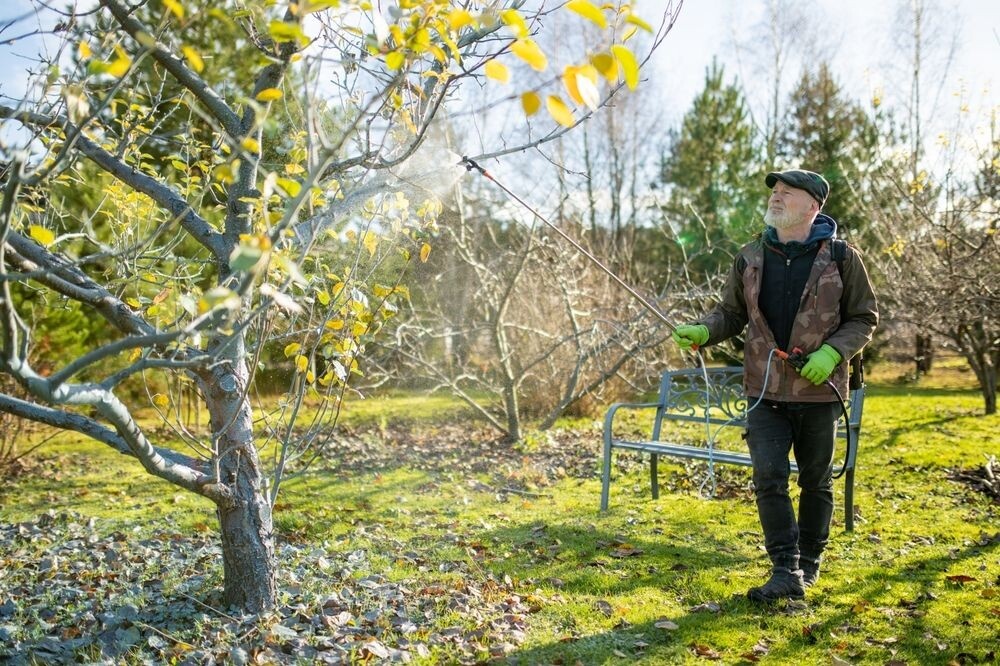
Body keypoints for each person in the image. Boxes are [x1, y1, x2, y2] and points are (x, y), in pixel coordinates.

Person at [671, 169, 878, 603]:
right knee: (769, 475)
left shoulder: (842, 257)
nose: (777, 197)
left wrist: (833, 353)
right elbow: (730, 313)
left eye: (788, 192)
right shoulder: (750, 255)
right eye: (775, 192)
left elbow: (864, 318)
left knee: (816, 480)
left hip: (821, 393)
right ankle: (785, 567)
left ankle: (810, 562)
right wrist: (704, 331)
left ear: (813, 205)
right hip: (764, 389)